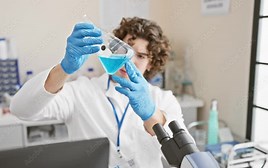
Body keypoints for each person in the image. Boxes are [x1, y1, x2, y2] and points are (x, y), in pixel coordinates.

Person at [10, 17, 192, 168]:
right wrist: (64, 69)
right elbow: (21, 109)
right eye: (125, 49)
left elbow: (185, 159)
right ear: (113, 49)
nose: (130, 59)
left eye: (141, 56)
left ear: (151, 63)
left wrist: (151, 114)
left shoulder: (163, 100)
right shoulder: (81, 92)